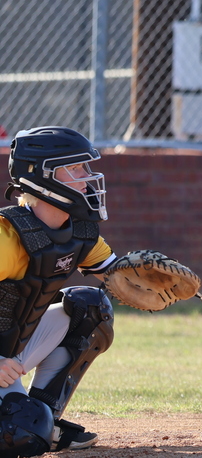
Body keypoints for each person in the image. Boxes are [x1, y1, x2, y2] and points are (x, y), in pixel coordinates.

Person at [0, 126, 120, 452]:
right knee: (20, 435)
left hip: (9, 354)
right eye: (76, 168)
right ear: (44, 177)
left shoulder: (77, 233)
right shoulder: (5, 238)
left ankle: (45, 417)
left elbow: (121, 277)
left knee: (90, 307)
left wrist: (158, 278)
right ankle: (30, 424)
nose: (87, 177)